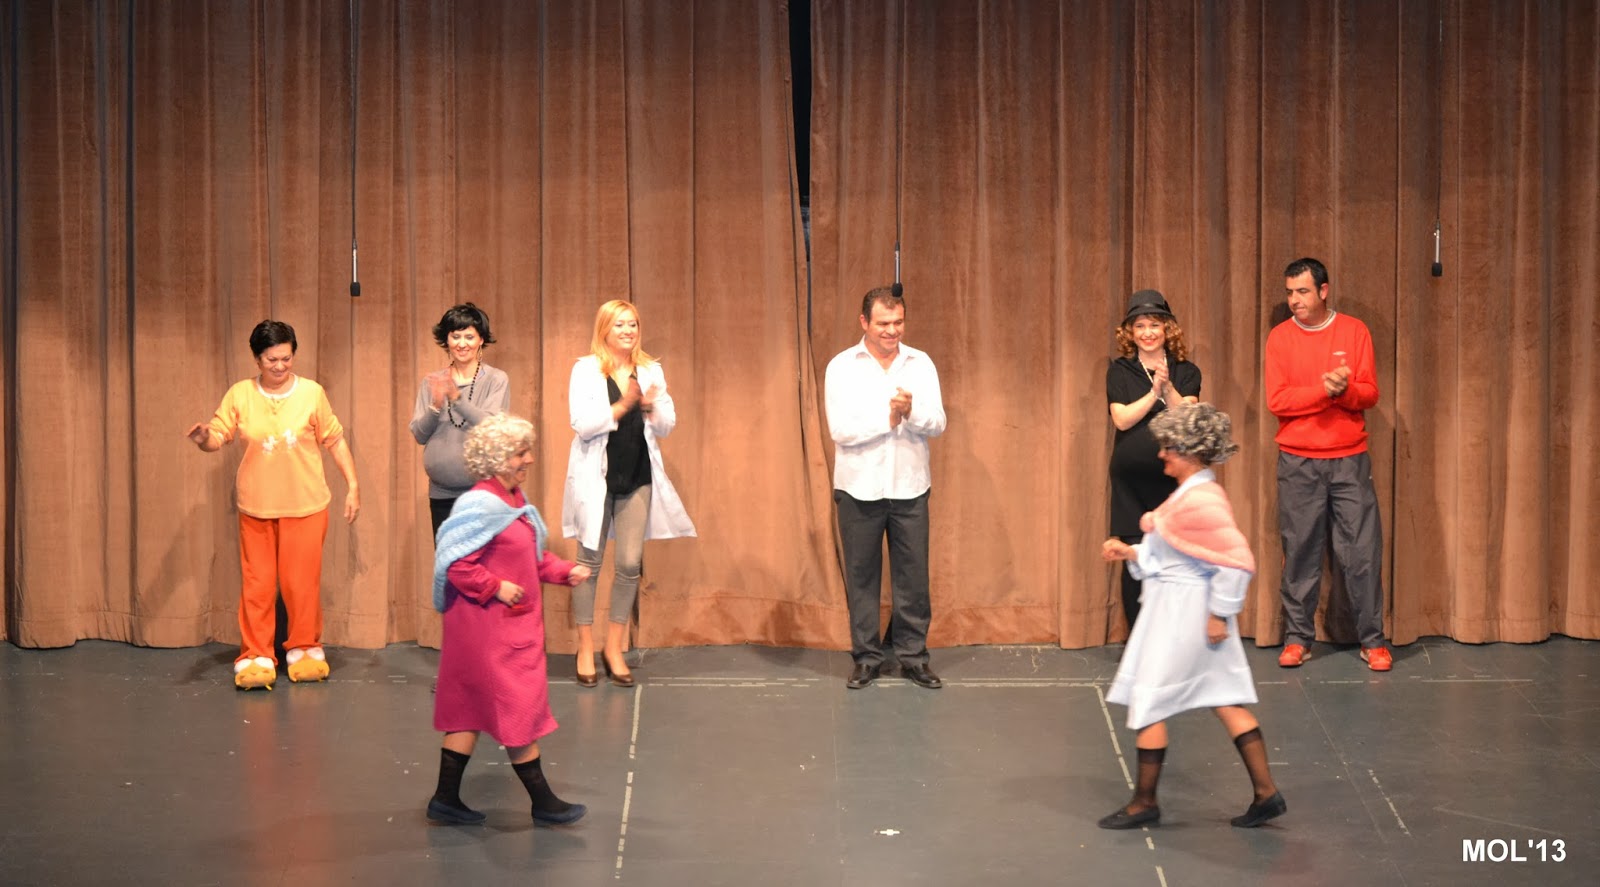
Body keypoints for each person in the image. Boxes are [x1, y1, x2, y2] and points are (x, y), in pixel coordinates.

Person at [1099, 402, 1286, 830]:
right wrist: (1132, 552)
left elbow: (1235, 562)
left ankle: (1144, 802)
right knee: (1224, 697)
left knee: (1150, 700)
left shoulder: (1201, 501)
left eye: (1169, 447)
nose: (1161, 454)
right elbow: (1178, 554)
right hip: (1181, 607)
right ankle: (1266, 794)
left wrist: (1219, 614)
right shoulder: (1190, 495)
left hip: (1184, 616)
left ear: (1190, 451)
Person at [427, 414, 592, 826]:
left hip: (505, 627)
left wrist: (564, 571)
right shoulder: (479, 505)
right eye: (521, 453)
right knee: (518, 711)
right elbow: (455, 565)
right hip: (489, 633)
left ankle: (445, 799)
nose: (529, 459)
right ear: (499, 459)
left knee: (468, 712)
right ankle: (544, 803)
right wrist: (495, 586)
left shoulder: (514, 501)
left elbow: (530, 558)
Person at [185, 320, 360, 690]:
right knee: (258, 584)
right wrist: (204, 439)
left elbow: (335, 440)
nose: (280, 365)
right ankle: (256, 654)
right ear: (257, 359)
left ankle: (305, 648)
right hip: (257, 507)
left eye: (286, 358)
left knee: (301, 584)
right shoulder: (240, 394)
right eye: (271, 359)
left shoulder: (312, 393)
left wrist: (353, 485)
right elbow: (218, 436)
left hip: (306, 505)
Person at [1266, 257, 1392, 672]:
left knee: (1362, 552)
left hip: (1348, 460)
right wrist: (1325, 391)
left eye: (1302, 291)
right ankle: (1297, 639)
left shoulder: (1354, 331)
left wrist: (1345, 391)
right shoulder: (1280, 338)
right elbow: (1278, 400)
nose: (1294, 300)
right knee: (1299, 552)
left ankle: (1372, 641)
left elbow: (1369, 393)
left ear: (1323, 291)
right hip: (1298, 462)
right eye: (1289, 293)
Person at [563, 299, 696, 688]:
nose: (628, 331)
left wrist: (651, 406)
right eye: (620, 324)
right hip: (597, 477)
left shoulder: (650, 370)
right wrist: (622, 405)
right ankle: (585, 646)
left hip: (637, 475)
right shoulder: (586, 369)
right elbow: (581, 423)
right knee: (588, 563)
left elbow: (667, 425)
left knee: (629, 564)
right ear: (604, 329)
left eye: (633, 324)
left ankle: (614, 647)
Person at [824, 287, 947, 690]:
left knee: (913, 578)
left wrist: (912, 411)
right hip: (858, 489)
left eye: (898, 322)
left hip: (910, 487)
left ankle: (914, 657)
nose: (892, 331)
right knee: (862, 577)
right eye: (883, 324)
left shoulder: (920, 363)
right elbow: (840, 429)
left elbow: (938, 423)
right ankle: (867, 658)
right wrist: (888, 419)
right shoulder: (842, 366)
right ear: (864, 322)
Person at [1106, 289, 1201, 630]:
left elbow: (1186, 416)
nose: (1147, 332)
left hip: (1173, 479)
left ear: (1167, 329)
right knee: (1134, 559)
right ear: (1130, 333)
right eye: (1140, 326)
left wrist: (1168, 386)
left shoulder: (1187, 371)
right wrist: (1153, 392)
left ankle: (1171, 637)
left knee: (1174, 555)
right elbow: (1121, 419)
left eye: (1154, 325)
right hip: (1130, 482)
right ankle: (1138, 640)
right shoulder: (1120, 371)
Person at [409, 303, 510, 536]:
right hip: (441, 495)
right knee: (448, 556)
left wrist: (457, 399)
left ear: (481, 340)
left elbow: (491, 427)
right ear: (447, 340)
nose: (462, 344)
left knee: (479, 556)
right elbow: (419, 434)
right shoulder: (432, 382)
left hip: (482, 492)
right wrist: (435, 406)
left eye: (469, 337)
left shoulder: (496, 379)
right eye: (455, 336)